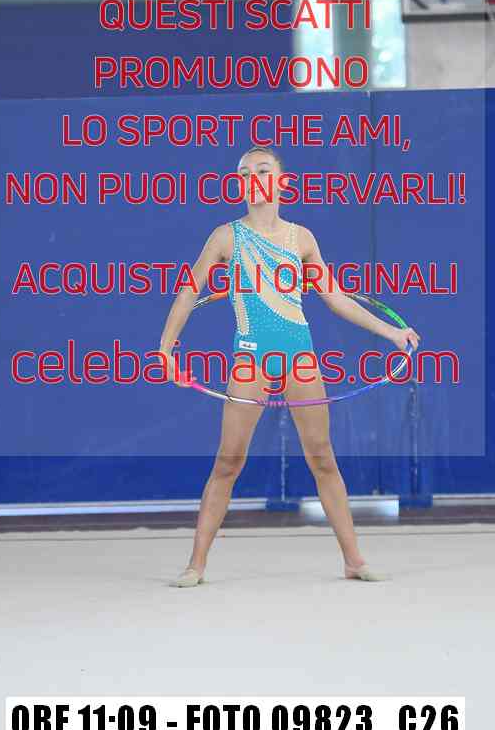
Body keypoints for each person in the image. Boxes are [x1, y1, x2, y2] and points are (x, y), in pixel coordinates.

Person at [159, 146, 420, 587]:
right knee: (228, 462)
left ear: (281, 181)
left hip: (300, 356)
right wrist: (166, 349)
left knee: (323, 458)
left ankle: (354, 560)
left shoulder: (302, 239)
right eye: (245, 173)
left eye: (263, 170)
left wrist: (391, 332)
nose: (253, 178)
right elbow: (189, 291)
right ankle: (196, 564)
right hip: (251, 358)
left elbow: (336, 297)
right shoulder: (225, 237)